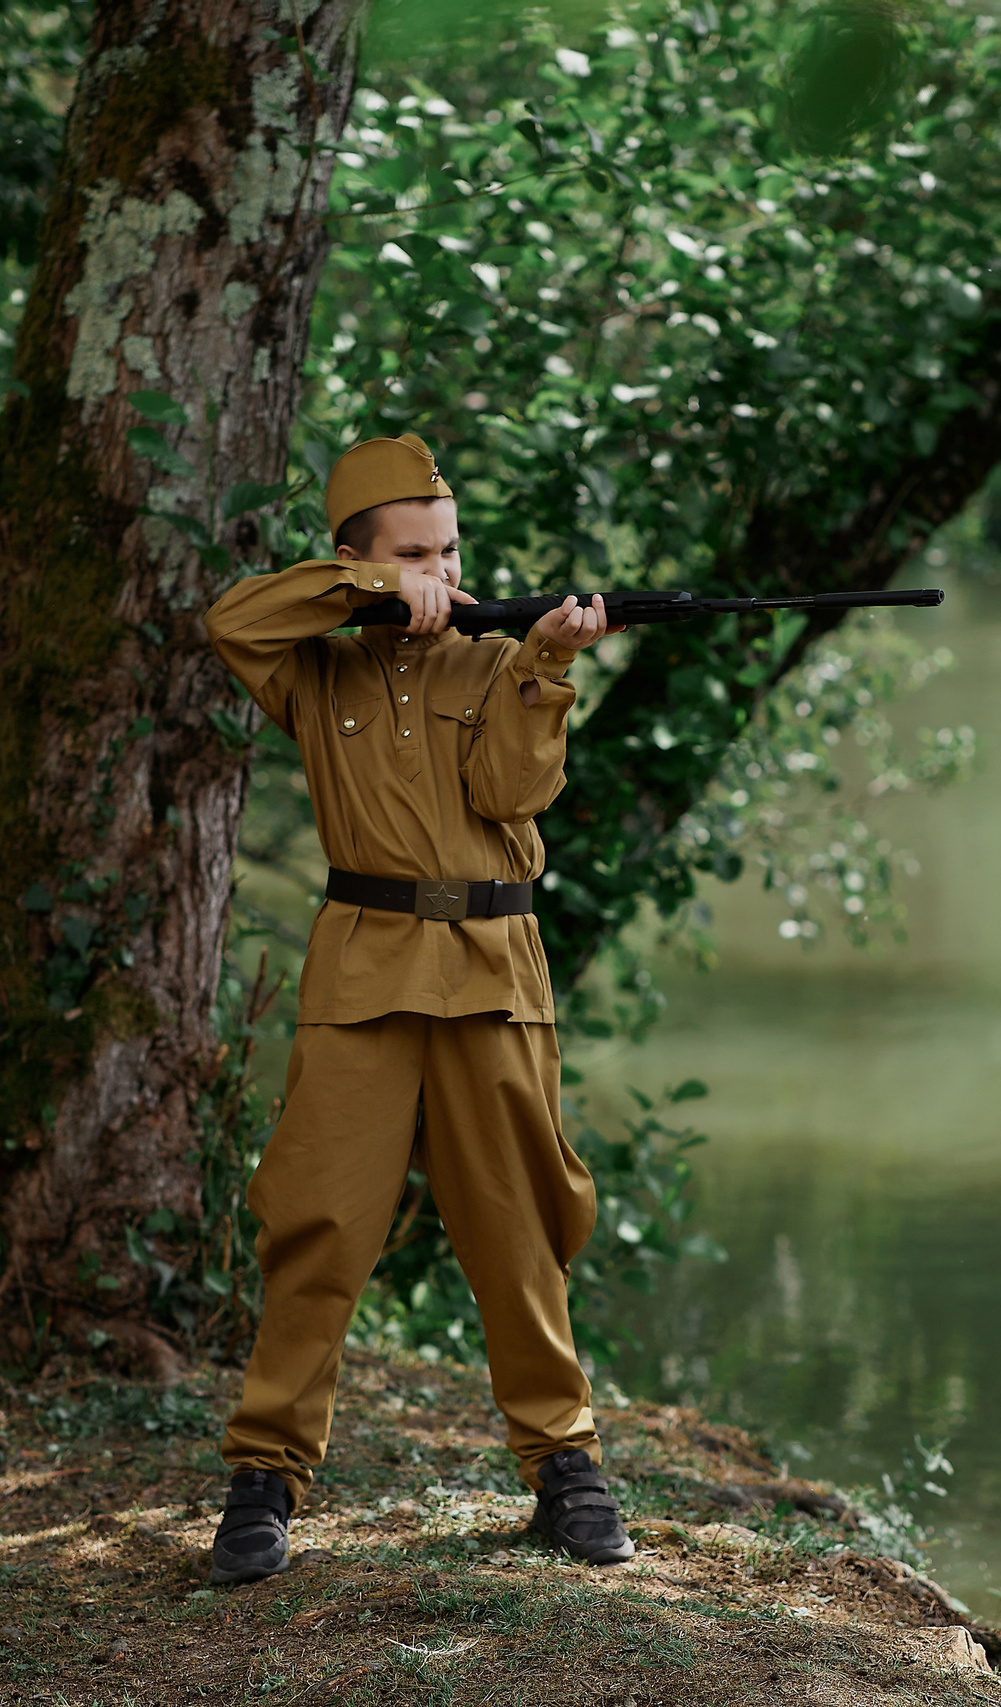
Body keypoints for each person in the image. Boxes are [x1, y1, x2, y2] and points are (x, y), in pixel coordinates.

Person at [197, 432, 631, 1586]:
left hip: (493, 963)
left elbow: (513, 791)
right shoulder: (317, 666)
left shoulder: (495, 661)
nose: (447, 573)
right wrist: (379, 594)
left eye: (449, 551)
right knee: (321, 1227)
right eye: (415, 554)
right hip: (363, 970)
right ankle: (265, 1477)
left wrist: (543, 667)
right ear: (356, 559)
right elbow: (231, 620)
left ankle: (563, 1463)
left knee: (517, 1224)